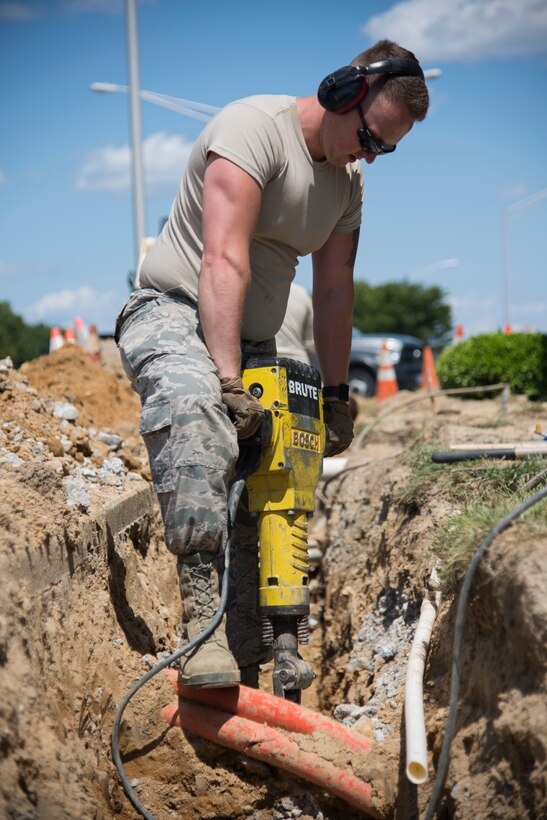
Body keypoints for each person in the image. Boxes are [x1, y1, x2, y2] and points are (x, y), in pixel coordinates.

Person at [115, 39, 429, 689]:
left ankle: (254, 658)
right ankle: (200, 627)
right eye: (370, 136)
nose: (371, 154)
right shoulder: (250, 131)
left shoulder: (348, 181)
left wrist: (337, 393)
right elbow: (222, 259)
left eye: (387, 149)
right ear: (345, 91)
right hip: (172, 311)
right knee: (197, 414)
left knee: (271, 478)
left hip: (259, 340)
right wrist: (228, 384)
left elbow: (336, 286)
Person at [275, 282, 315, 365]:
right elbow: (311, 344)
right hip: (299, 364)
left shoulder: (257, 292)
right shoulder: (302, 294)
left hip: (265, 363)